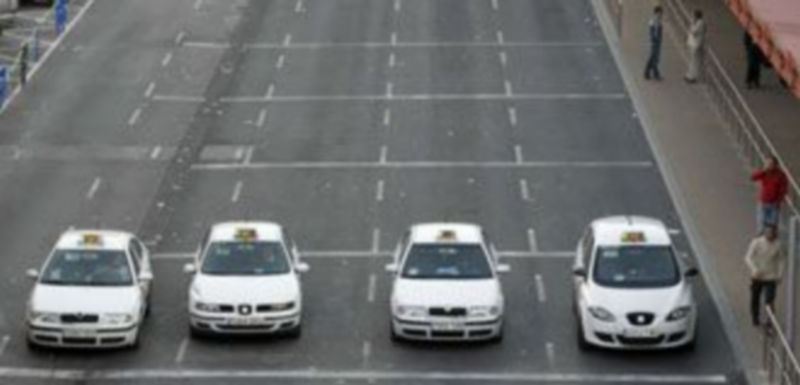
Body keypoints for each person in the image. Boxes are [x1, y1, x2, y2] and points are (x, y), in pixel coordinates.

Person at [745, 225, 784, 326]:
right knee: (755, 298)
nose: (770, 235)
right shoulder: (756, 242)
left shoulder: (778, 245)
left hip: (771, 276)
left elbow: (781, 260)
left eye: (772, 233)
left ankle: (769, 320)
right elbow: (748, 257)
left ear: (775, 233)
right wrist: (754, 268)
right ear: (765, 233)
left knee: (770, 299)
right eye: (768, 232)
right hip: (757, 276)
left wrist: (780, 274)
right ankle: (755, 318)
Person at [751, 155, 788, 228]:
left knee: (773, 223)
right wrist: (763, 171)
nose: (768, 166)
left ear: (775, 165)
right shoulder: (764, 172)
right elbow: (753, 177)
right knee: (761, 222)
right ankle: (761, 235)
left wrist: (779, 200)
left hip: (774, 203)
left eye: (770, 164)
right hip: (763, 201)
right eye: (767, 164)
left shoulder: (780, 175)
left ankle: (771, 236)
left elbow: (783, 188)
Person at [684, 10, 706, 83]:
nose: (692, 17)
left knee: (694, 61)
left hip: (696, 45)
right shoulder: (699, 23)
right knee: (693, 61)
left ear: (696, 16)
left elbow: (694, 32)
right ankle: (690, 75)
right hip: (694, 45)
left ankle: (692, 77)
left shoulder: (700, 24)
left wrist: (692, 23)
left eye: (693, 16)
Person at [644, 6, 663, 80]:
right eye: (660, 13)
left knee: (653, 57)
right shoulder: (654, 20)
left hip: (657, 41)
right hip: (655, 41)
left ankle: (647, 73)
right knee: (655, 58)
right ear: (657, 12)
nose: (661, 15)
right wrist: (655, 39)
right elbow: (654, 32)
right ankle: (655, 74)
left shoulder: (658, 20)